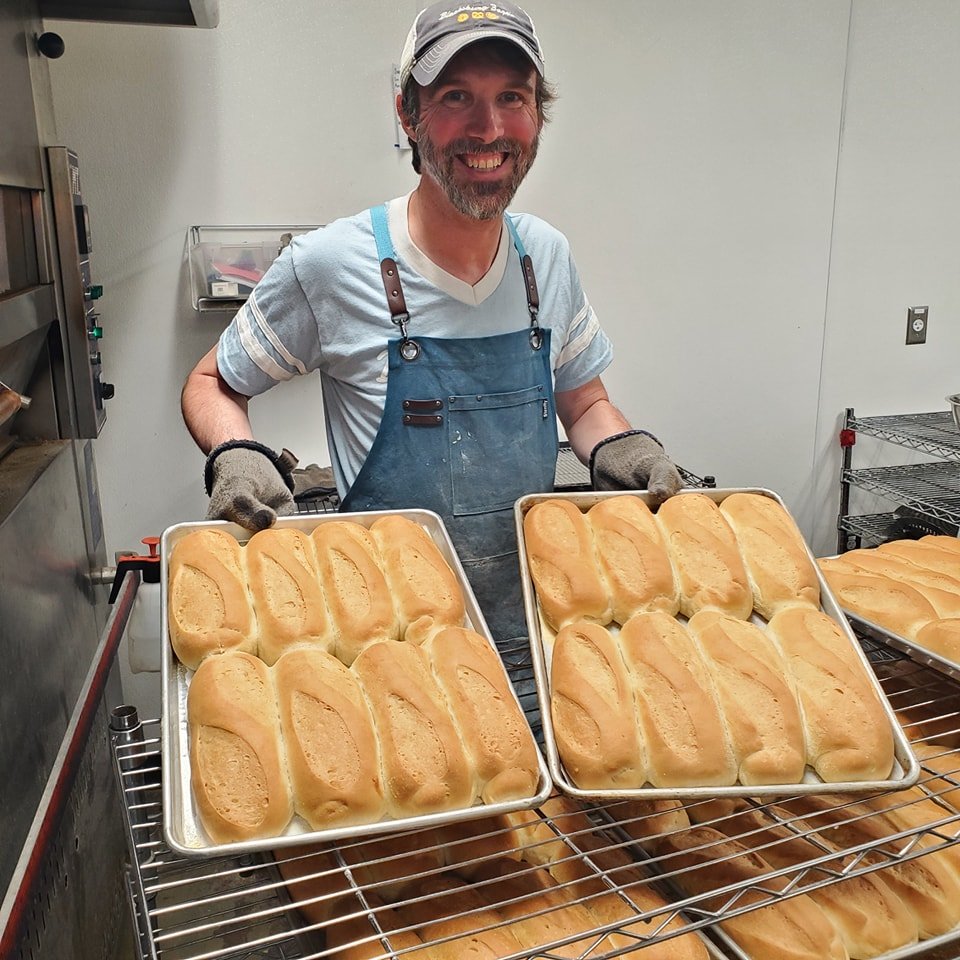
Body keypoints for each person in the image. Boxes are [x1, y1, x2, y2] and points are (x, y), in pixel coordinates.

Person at [181, 1, 682, 644]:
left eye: (512, 96)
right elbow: (211, 382)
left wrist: (621, 445)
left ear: (537, 114)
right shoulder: (331, 264)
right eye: (454, 97)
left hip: (536, 624)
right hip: (389, 639)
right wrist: (237, 455)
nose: (489, 127)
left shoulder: (545, 257)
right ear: (408, 116)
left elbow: (583, 403)